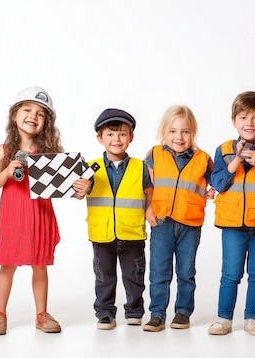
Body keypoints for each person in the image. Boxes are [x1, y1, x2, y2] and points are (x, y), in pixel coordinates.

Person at [0, 86, 90, 335]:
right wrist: (7, 169)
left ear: (47, 123)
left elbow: (70, 190)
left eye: (41, 114)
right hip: (13, 214)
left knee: (40, 265)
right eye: (27, 109)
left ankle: (41, 314)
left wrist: (81, 188)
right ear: (14, 115)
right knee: (7, 265)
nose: (33, 116)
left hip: (39, 214)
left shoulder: (51, 154)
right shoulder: (3, 150)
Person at [207, 91, 255, 336]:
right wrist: (234, 164)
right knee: (230, 274)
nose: (249, 124)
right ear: (233, 121)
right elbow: (218, 183)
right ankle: (224, 318)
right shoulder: (222, 150)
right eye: (243, 117)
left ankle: (252, 318)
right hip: (231, 223)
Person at [142, 105, 213, 332]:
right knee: (159, 271)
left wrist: (212, 192)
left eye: (185, 131)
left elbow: (219, 183)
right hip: (162, 222)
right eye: (173, 131)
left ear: (193, 133)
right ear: (164, 132)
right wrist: (148, 209)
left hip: (190, 223)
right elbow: (147, 186)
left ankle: (183, 312)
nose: (179, 137)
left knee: (186, 271)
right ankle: (157, 314)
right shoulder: (153, 155)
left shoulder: (204, 159)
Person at [85, 108, 153, 330]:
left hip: (132, 232)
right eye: (110, 134)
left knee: (134, 276)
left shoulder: (141, 167)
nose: (116, 139)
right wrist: (81, 188)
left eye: (122, 134)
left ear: (131, 137)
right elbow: (78, 193)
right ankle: (105, 313)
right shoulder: (89, 168)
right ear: (100, 138)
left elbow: (150, 194)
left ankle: (134, 311)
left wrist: (150, 212)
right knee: (104, 277)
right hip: (101, 234)